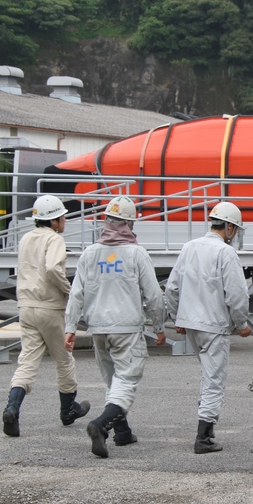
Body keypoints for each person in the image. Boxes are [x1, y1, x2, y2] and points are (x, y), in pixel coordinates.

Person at [65, 196, 166, 458]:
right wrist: (159, 326)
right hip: (126, 327)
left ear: (106, 221)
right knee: (127, 380)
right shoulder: (137, 253)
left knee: (112, 380)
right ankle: (100, 425)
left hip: (98, 327)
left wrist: (70, 328)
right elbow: (153, 294)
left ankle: (122, 432)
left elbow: (76, 294)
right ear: (130, 224)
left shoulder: (89, 254)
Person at [166, 201, 252, 454]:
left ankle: (208, 429)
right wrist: (242, 323)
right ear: (228, 227)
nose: (234, 234)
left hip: (191, 324)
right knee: (215, 380)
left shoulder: (189, 247)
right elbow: (237, 294)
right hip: (214, 326)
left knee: (207, 375)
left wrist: (176, 317)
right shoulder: (226, 253)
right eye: (234, 229)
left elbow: (172, 288)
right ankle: (203, 436)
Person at [2, 195, 89, 438]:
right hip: (49, 307)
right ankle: (68, 409)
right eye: (62, 217)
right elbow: (52, 268)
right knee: (64, 359)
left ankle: (12, 409)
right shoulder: (55, 239)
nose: (64, 221)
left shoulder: (26, 238)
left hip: (26, 307)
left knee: (28, 360)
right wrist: (67, 290)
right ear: (54, 221)